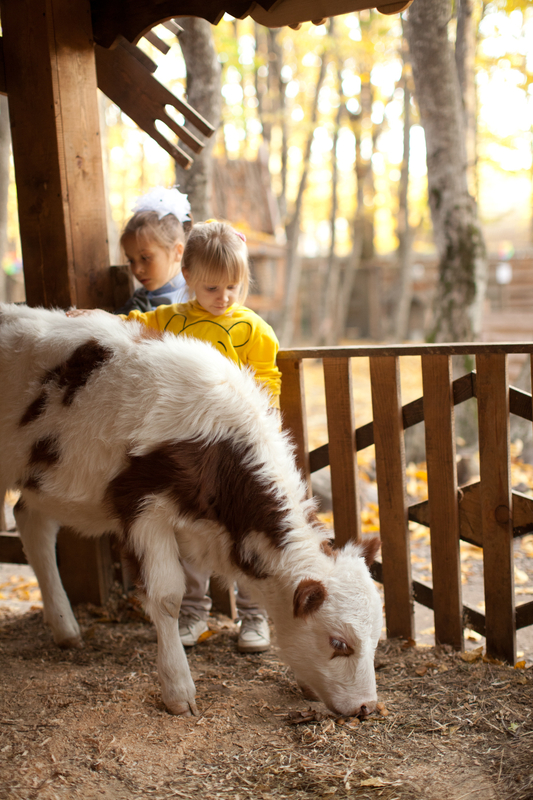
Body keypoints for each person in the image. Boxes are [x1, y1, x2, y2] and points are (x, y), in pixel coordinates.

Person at [119, 203, 281, 654]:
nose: (224, 297)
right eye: (212, 287)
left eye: (233, 286)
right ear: (187, 275)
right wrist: (92, 319)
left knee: (244, 531)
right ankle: (193, 613)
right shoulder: (171, 319)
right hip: (188, 448)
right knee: (188, 531)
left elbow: (267, 381)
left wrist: (259, 420)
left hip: (234, 453)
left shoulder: (254, 330)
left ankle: (254, 617)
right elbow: (134, 325)